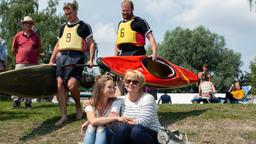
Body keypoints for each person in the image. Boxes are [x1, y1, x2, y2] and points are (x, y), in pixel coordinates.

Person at [49, 2, 95, 126]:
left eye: (70, 13)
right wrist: (51, 60)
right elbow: (58, 45)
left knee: (72, 85)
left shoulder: (84, 26)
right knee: (59, 85)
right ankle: (63, 116)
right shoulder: (62, 27)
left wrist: (91, 59)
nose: (68, 16)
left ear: (75, 11)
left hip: (76, 57)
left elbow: (91, 43)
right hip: (62, 57)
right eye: (66, 14)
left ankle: (78, 106)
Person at [114, 0, 158, 96]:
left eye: (127, 10)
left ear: (132, 9)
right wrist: (115, 58)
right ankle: (117, 107)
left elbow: (150, 37)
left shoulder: (140, 22)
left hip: (137, 54)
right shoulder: (120, 24)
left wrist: (154, 52)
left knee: (135, 80)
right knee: (120, 81)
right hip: (123, 55)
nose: (125, 13)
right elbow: (117, 43)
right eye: (123, 10)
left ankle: (140, 103)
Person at [110, 69, 161, 144]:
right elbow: (112, 122)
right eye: (128, 81)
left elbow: (143, 122)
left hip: (151, 135)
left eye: (135, 82)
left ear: (140, 85)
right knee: (124, 128)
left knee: (136, 130)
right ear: (124, 83)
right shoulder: (120, 100)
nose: (130, 84)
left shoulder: (148, 98)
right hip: (131, 134)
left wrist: (121, 119)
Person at [81, 75, 123, 144]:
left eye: (113, 87)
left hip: (111, 135)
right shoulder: (90, 104)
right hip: (96, 134)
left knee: (100, 127)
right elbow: (93, 121)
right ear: (101, 89)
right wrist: (90, 121)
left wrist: (92, 121)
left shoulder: (116, 102)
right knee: (91, 126)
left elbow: (110, 119)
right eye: (109, 87)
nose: (113, 89)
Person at [11, 16, 41, 109]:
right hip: (20, 62)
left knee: (30, 83)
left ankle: (28, 102)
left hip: (32, 63)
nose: (28, 25)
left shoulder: (36, 36)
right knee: (17, 82)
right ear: (22, 24)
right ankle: (16, 101)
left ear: (32, 25)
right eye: (26, 23)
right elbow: (13, 49)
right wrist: (20, 56)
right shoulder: (18, 35)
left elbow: (39, 49)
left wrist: (34, 57)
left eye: (30, 23)